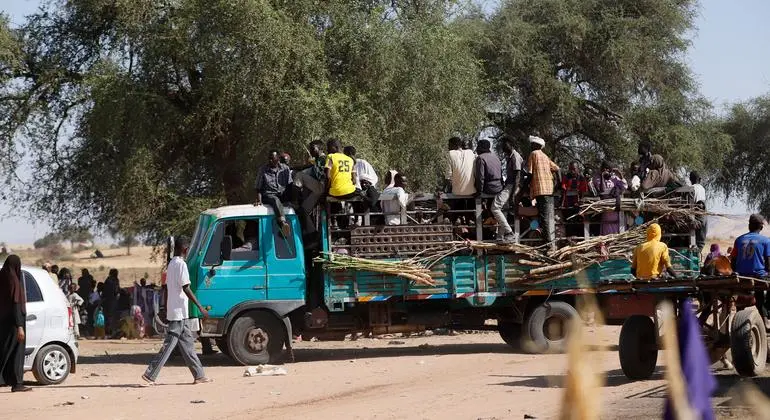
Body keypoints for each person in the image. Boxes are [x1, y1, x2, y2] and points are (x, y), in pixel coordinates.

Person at [142, 235, 212, 386]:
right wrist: (200, 307)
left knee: (188, 345)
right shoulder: (181, 265)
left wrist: (165, 307)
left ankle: (199, 375)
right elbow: (186, 287)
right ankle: (150, 374)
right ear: (185, 249)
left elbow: (166, 288)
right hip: (179, 313)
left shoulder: (171, 264)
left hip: (178, 312)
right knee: (169, 346)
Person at [730, 214, 770, 323]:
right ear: (761, 227)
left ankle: (738, 319)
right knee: (761, 296)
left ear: (749, 226)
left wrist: (736, 270)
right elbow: (768, 262)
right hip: (759, 276)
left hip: (741, 275)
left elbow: (733, 260)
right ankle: (765, 318)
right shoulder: (766, 241)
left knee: (742, 296)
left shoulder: (739, 240)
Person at [0, 255, 31, 392]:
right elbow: (16, 303)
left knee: (5, 351)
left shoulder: (2, 277)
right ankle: (17, 383)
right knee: (17, 353)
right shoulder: (14, 281)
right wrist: (20, 326)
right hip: (14, 323)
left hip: (3, 321)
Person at [527, 135, 561, 248]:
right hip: (549, 189)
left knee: (543, 218)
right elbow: (557, 169)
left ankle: (548, 244)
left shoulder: (533, 154)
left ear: (537, 145)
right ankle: (548, 242)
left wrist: (525, 185)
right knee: (546, 216)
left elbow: (530, 173)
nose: (531, 146)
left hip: (540, 190)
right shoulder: (545, 156)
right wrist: (558, 184)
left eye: (532, 144)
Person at [491, 136, 524, 242]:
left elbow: (518, 176)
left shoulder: (515, 156)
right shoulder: (509, 157)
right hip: (509, 185)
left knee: (495, 207)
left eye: (505, 144)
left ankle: (509, 232)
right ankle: (501, 237)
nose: (503, 147)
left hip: (511, 186)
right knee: (503, 210)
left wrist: (513, 194)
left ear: (511, 144)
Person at [255, 149, 293, 237]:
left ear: (278, 159)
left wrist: (290, 200)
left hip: (282, 195)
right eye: (269, 158)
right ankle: (283, 223)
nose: (270, 160)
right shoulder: (263, 170)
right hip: (269, 195)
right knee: (275, 199)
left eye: (273, 158)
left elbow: (290, 185)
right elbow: (258, 187)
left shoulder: (285, 168)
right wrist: (259, 200)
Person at [592, 161, 628, 235]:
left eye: (609, 169)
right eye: (605, 168)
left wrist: (620, 174)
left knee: (617, 229)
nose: (606, 170)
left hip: (615, 207)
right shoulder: (597, 177)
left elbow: (624, 186)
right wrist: (602, 176)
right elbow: (602, 190)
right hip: (606, 207)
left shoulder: (614, 177)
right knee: (607, 229)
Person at [344, 145, 380, 216]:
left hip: (366, 192)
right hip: (354, 192)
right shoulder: (346, 165)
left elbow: (374, 178)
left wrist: (365, 187)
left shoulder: (362, 163)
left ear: (350, 154)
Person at [293, 140, 327, 212]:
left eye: (313, 149)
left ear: (320, 149)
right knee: (304, 209)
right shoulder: (318, 160)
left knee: (299, 175)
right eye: (310, 149)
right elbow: (307, 166)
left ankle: (294, 201)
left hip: (322, 187)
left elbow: (326, 176)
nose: (311, 151)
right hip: (319, 189)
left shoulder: (322, 160)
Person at [690, 171, 707, 252]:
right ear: (699, 179)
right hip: (702, 213)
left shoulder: (691, 188)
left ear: (690, 179)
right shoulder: (702, 189)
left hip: (695, 213)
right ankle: (699, 250)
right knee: (701, 237)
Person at [103, 269, 120, 337]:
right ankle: (109, 331)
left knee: (108, 315)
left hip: (108, 300)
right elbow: (116, 290)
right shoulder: (114, 280)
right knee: (111, 315)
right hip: (112, 300)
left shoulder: (108, 280)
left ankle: (108, 330)